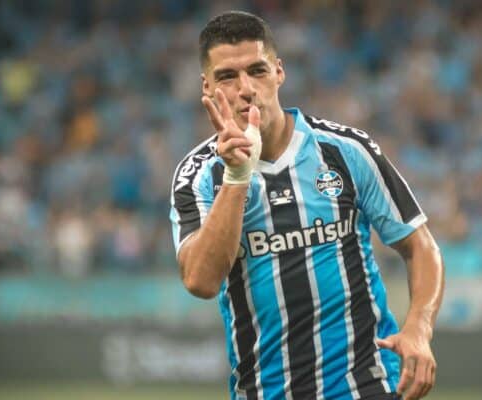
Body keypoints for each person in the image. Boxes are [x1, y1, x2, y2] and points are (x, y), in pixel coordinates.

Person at [170, 11, 444, 400]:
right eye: (228, 77)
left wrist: (419, 327)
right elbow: (201, 280)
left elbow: (420, 244)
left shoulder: (345, 151)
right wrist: (237, 176)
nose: (245, 88)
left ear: (279, 72)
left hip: (366, 385)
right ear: (207, 87)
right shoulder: (198, 175)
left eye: (257, 70)